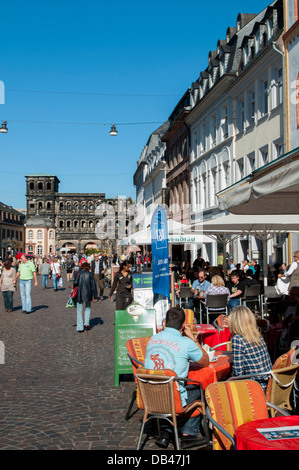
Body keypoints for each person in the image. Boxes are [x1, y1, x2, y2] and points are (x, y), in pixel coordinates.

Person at [144, 307, 209, 450]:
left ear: (165, 322)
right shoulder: (186, 343)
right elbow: (205, 361)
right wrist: (193, 338)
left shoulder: (152, 339)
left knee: (167, 387)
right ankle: (188, 434)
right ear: (183, 325)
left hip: (149, 396)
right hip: (172, 399)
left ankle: (166, 431)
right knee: (199, 389)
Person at [227, 306, 272, 391]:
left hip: (253, 386)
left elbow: (237, 373)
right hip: (268, 383)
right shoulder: (257, 335)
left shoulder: (238, 339)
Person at [73, 262, 98, 332]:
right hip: (88, 293)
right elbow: (94, 286)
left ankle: (80, 327)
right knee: (87, 308)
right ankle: (86, 324)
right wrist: (95, 296)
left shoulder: (78, 273)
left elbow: (75, 283)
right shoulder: (90, 274)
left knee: (79, 310)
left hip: (80, 293)